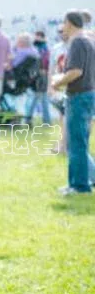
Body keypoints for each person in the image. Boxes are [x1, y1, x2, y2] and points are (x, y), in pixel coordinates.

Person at [52, 11, 95, 195]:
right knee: (81, 142)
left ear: (69, 23)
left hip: (78, 96)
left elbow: (76, 71)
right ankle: (88, 179)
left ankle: (79, 186)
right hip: (87, 95)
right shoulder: (88, 40)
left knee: (75, 143)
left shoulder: (77, 42)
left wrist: (57, 81)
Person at [25, 30, 52, 125]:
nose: (36, 38)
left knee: (38, 97)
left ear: (42, 37)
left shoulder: (44, 49)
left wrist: (43, 70)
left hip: (41, 76)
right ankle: (46, 120)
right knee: (40, 98)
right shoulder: (35, 47)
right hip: (36, 76)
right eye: (35, 36)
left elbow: (45, 62)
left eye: (38, 36)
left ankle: (29, 119)